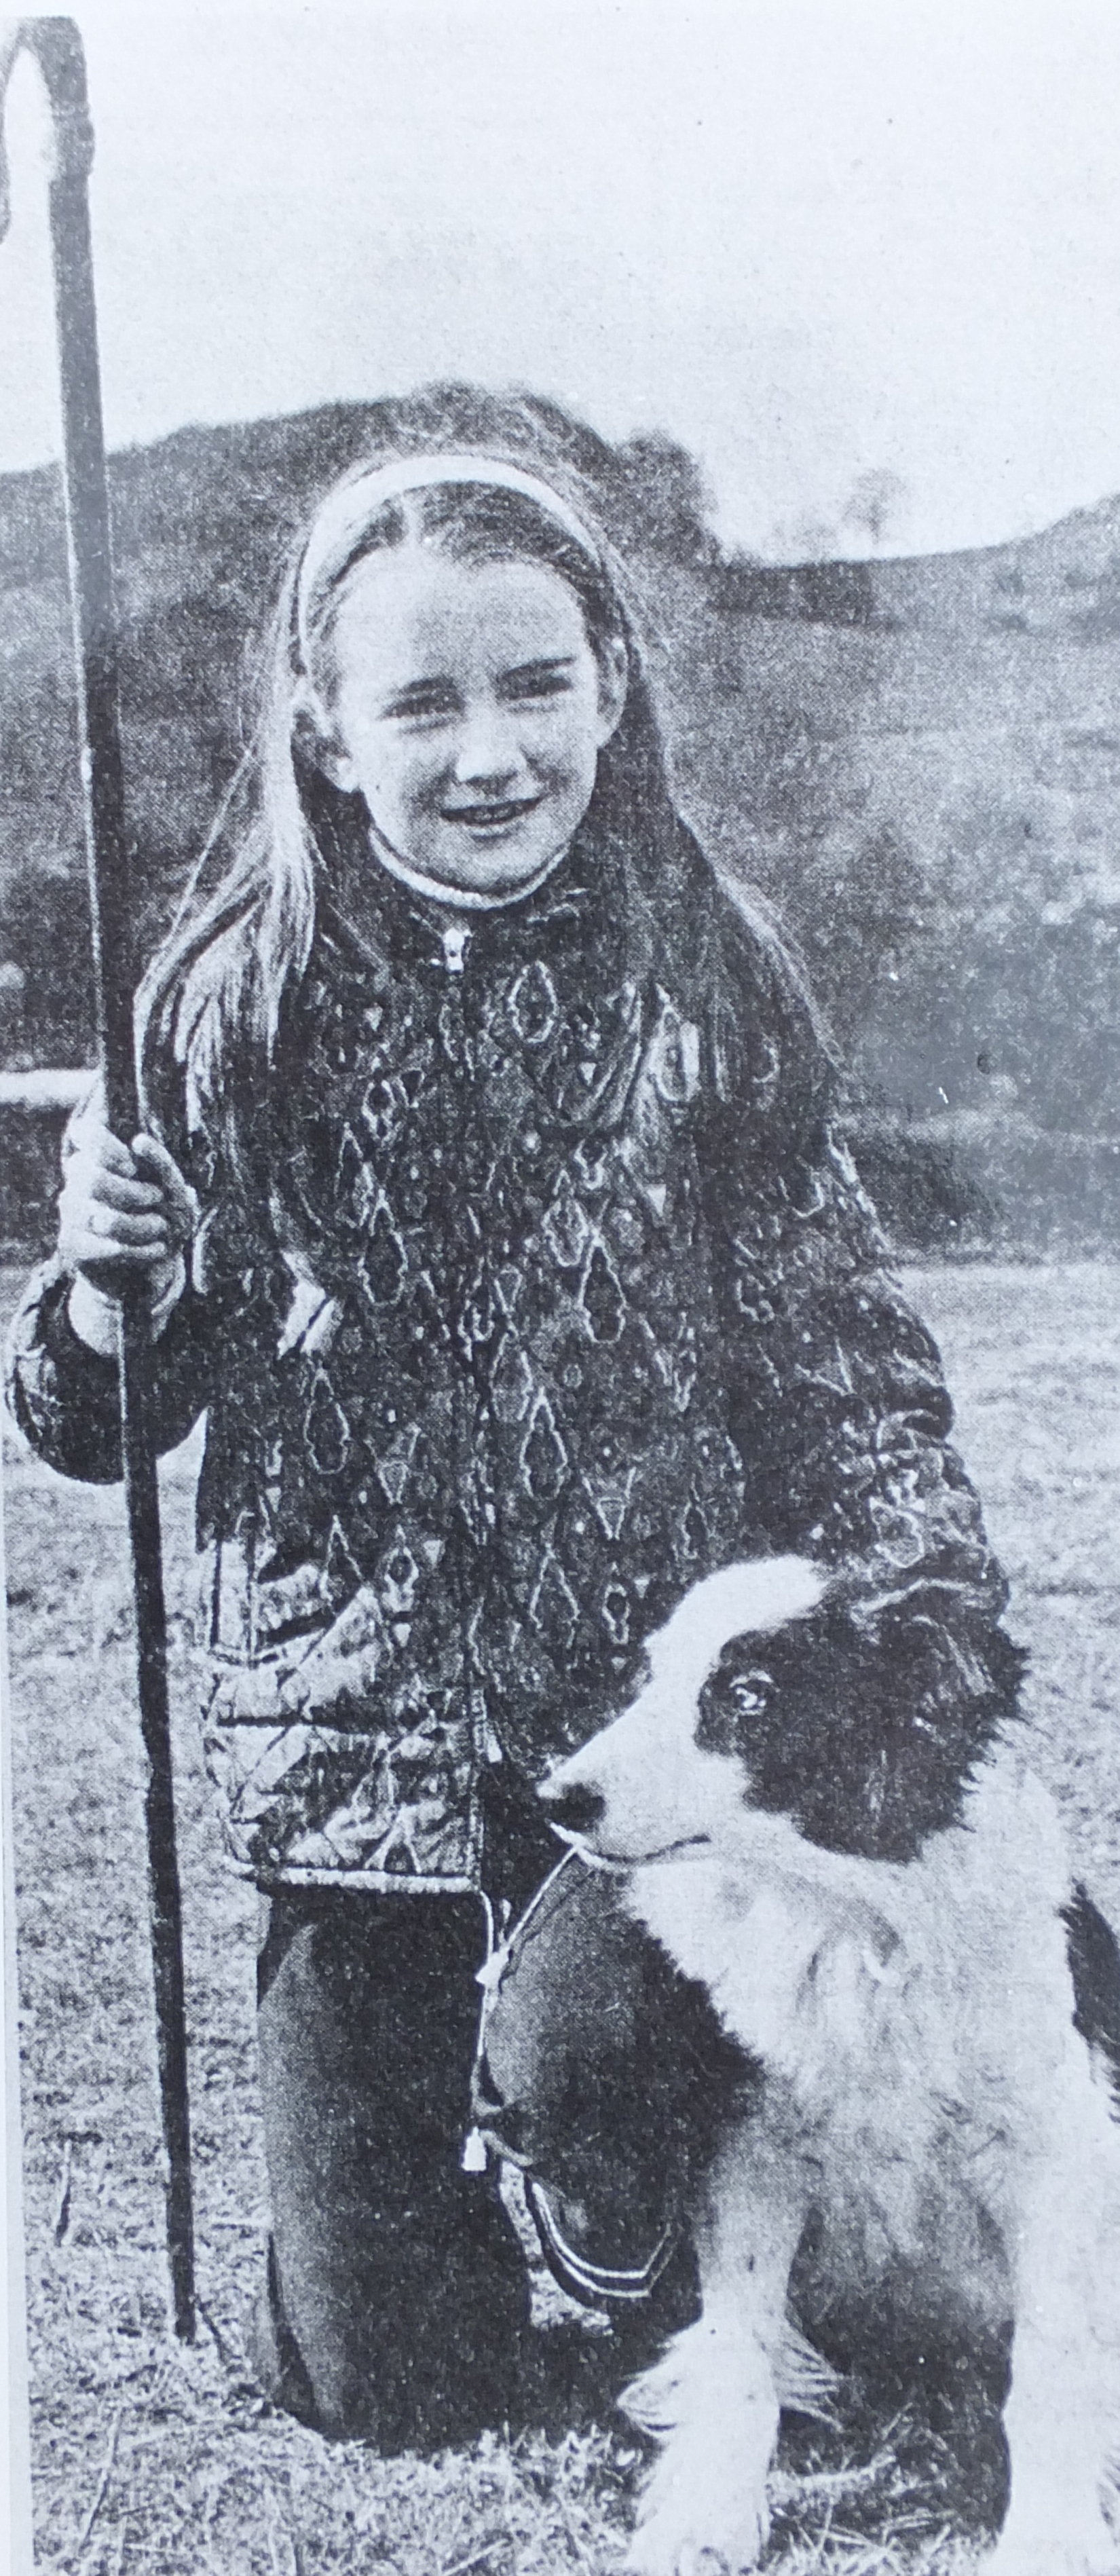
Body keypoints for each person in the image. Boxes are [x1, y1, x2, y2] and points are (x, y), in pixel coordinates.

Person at [6, 386, 1020, 2448]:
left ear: (613, 682)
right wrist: (105, 1286)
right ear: (321, 724)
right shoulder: (220, 1005)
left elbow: (839, 1348)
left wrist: (925, 1632)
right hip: (352, 1754)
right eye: (422, 704)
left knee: (647, 2103)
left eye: (537, 683)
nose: (490, 752)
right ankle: (538, 2194)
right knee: (378, 2384)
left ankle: (626, 2167)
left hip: (658, 1736)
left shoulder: (707, 977)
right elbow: (98, 1429)